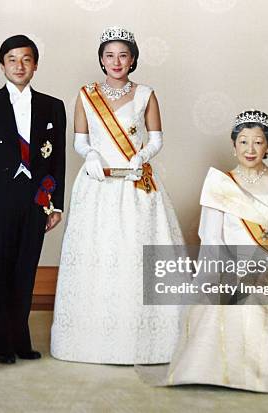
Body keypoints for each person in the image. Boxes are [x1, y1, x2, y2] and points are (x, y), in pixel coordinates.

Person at [139, 110, 268, 393]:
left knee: (260, 308)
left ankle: (264, 378)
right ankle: (212, 373)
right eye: (244, 141)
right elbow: (211, 238)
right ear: (233, 145)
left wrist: (259, 268)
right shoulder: (219, 183)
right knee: (210, 307)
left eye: (258, 142)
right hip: (226, 267)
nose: (250, 149)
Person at [50, 27, 185, 364]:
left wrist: (142, 156)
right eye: (109, 55)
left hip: (135, 182)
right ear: (101, 59)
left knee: (134, 255)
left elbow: (156, 138)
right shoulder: (86, 94)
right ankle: (90, 341)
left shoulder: (146, 94)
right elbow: (80, 139)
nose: (116, 61)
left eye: (123, 55)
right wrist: (91, 156)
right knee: (98, 253)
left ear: (133, 59)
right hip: (97, 183)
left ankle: (145, 340)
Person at [0, 35, 66, 365]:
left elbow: (57, 160)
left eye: (26, 59)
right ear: (2, 65)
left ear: (35, 65)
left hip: (35, 201)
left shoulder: (53, 106)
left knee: (26, 269)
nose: (19, 66)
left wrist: (55, 203)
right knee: (0, 270)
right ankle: (1, 342)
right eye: (12, 59)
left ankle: (21, 338)